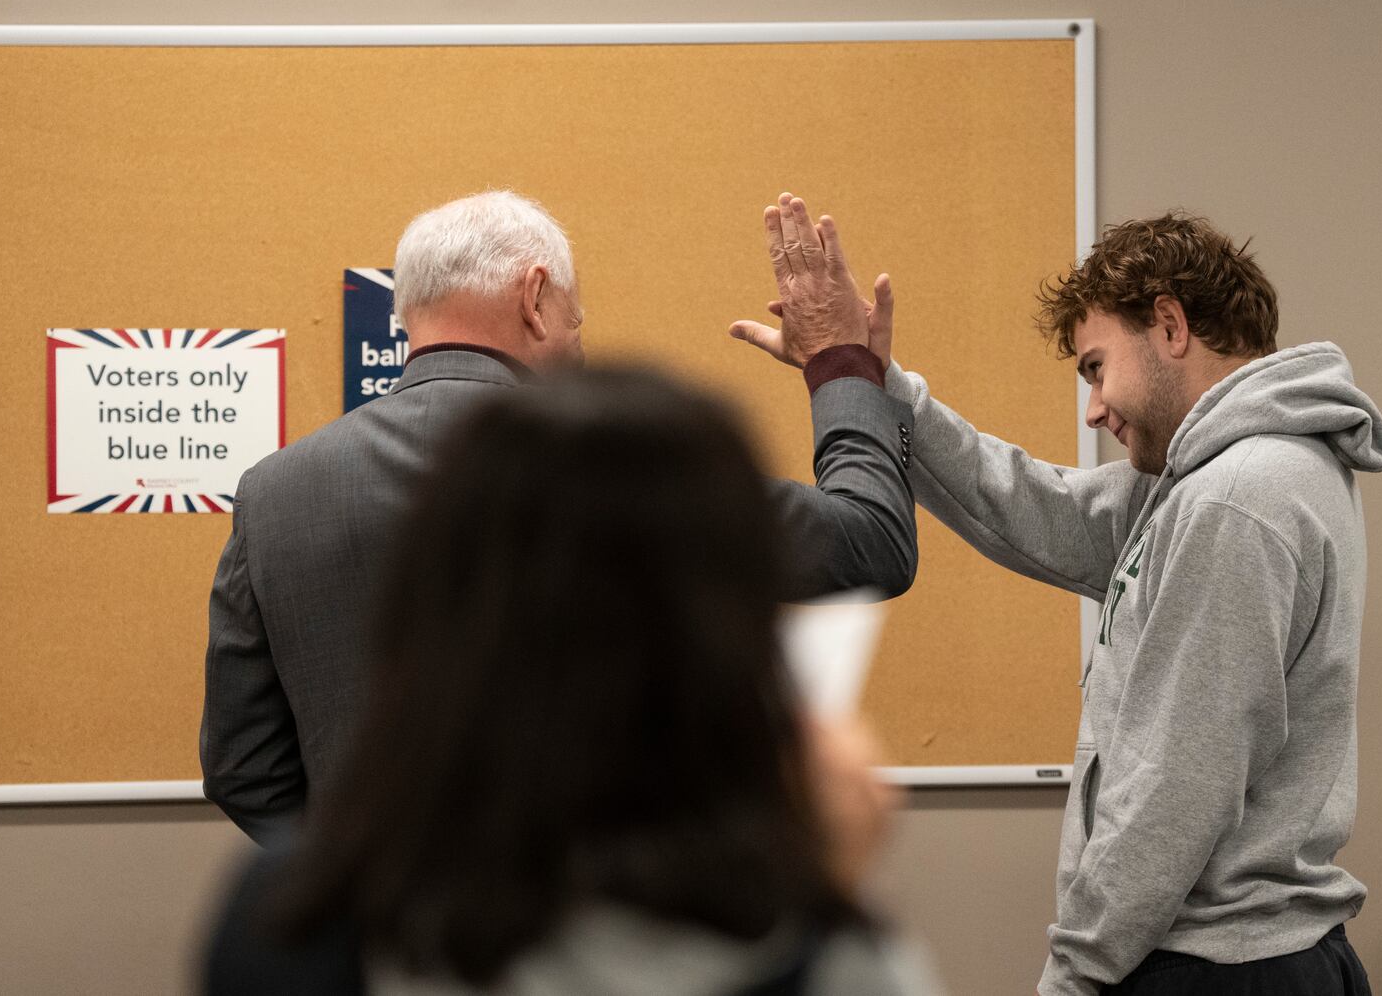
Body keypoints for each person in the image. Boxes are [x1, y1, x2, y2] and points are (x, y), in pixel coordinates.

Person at [731, 198, 1382, 995]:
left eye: (1096, 367)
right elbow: (1036, 510)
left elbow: (1174, 791)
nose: (1094, 407)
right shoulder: (1215, 482)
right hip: (1227, 959)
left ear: (1171, 325)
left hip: (1220, 971)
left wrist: (1073, 978)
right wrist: (874, 384)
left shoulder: (1236, 498)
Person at [201, 190, 917, 844]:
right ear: (536, 298)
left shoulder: (273, 492)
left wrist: (362, 877)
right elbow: (869, 543)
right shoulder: (624, 457)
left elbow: (243, 767)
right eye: (577, 318)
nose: (578, 340)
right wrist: (837, 360)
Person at [202, 367, 943, 996]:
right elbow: (867, 540)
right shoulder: (810, 951)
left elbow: (244, 767)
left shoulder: (281, 925)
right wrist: (825, 888)